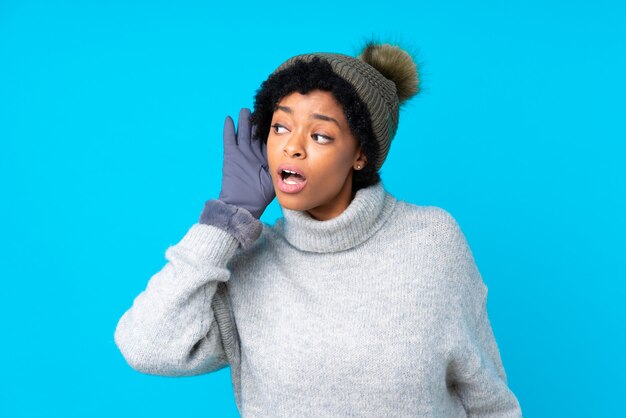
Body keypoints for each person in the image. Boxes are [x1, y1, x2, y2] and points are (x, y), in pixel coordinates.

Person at [114, 42, 523, 417]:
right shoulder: (248, 261)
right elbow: (147, 347)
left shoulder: (431, 241)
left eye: (321, 134)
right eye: (280, 128)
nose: (293, 147)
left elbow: (488, 402)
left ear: (360, 154)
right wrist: (226, 219)